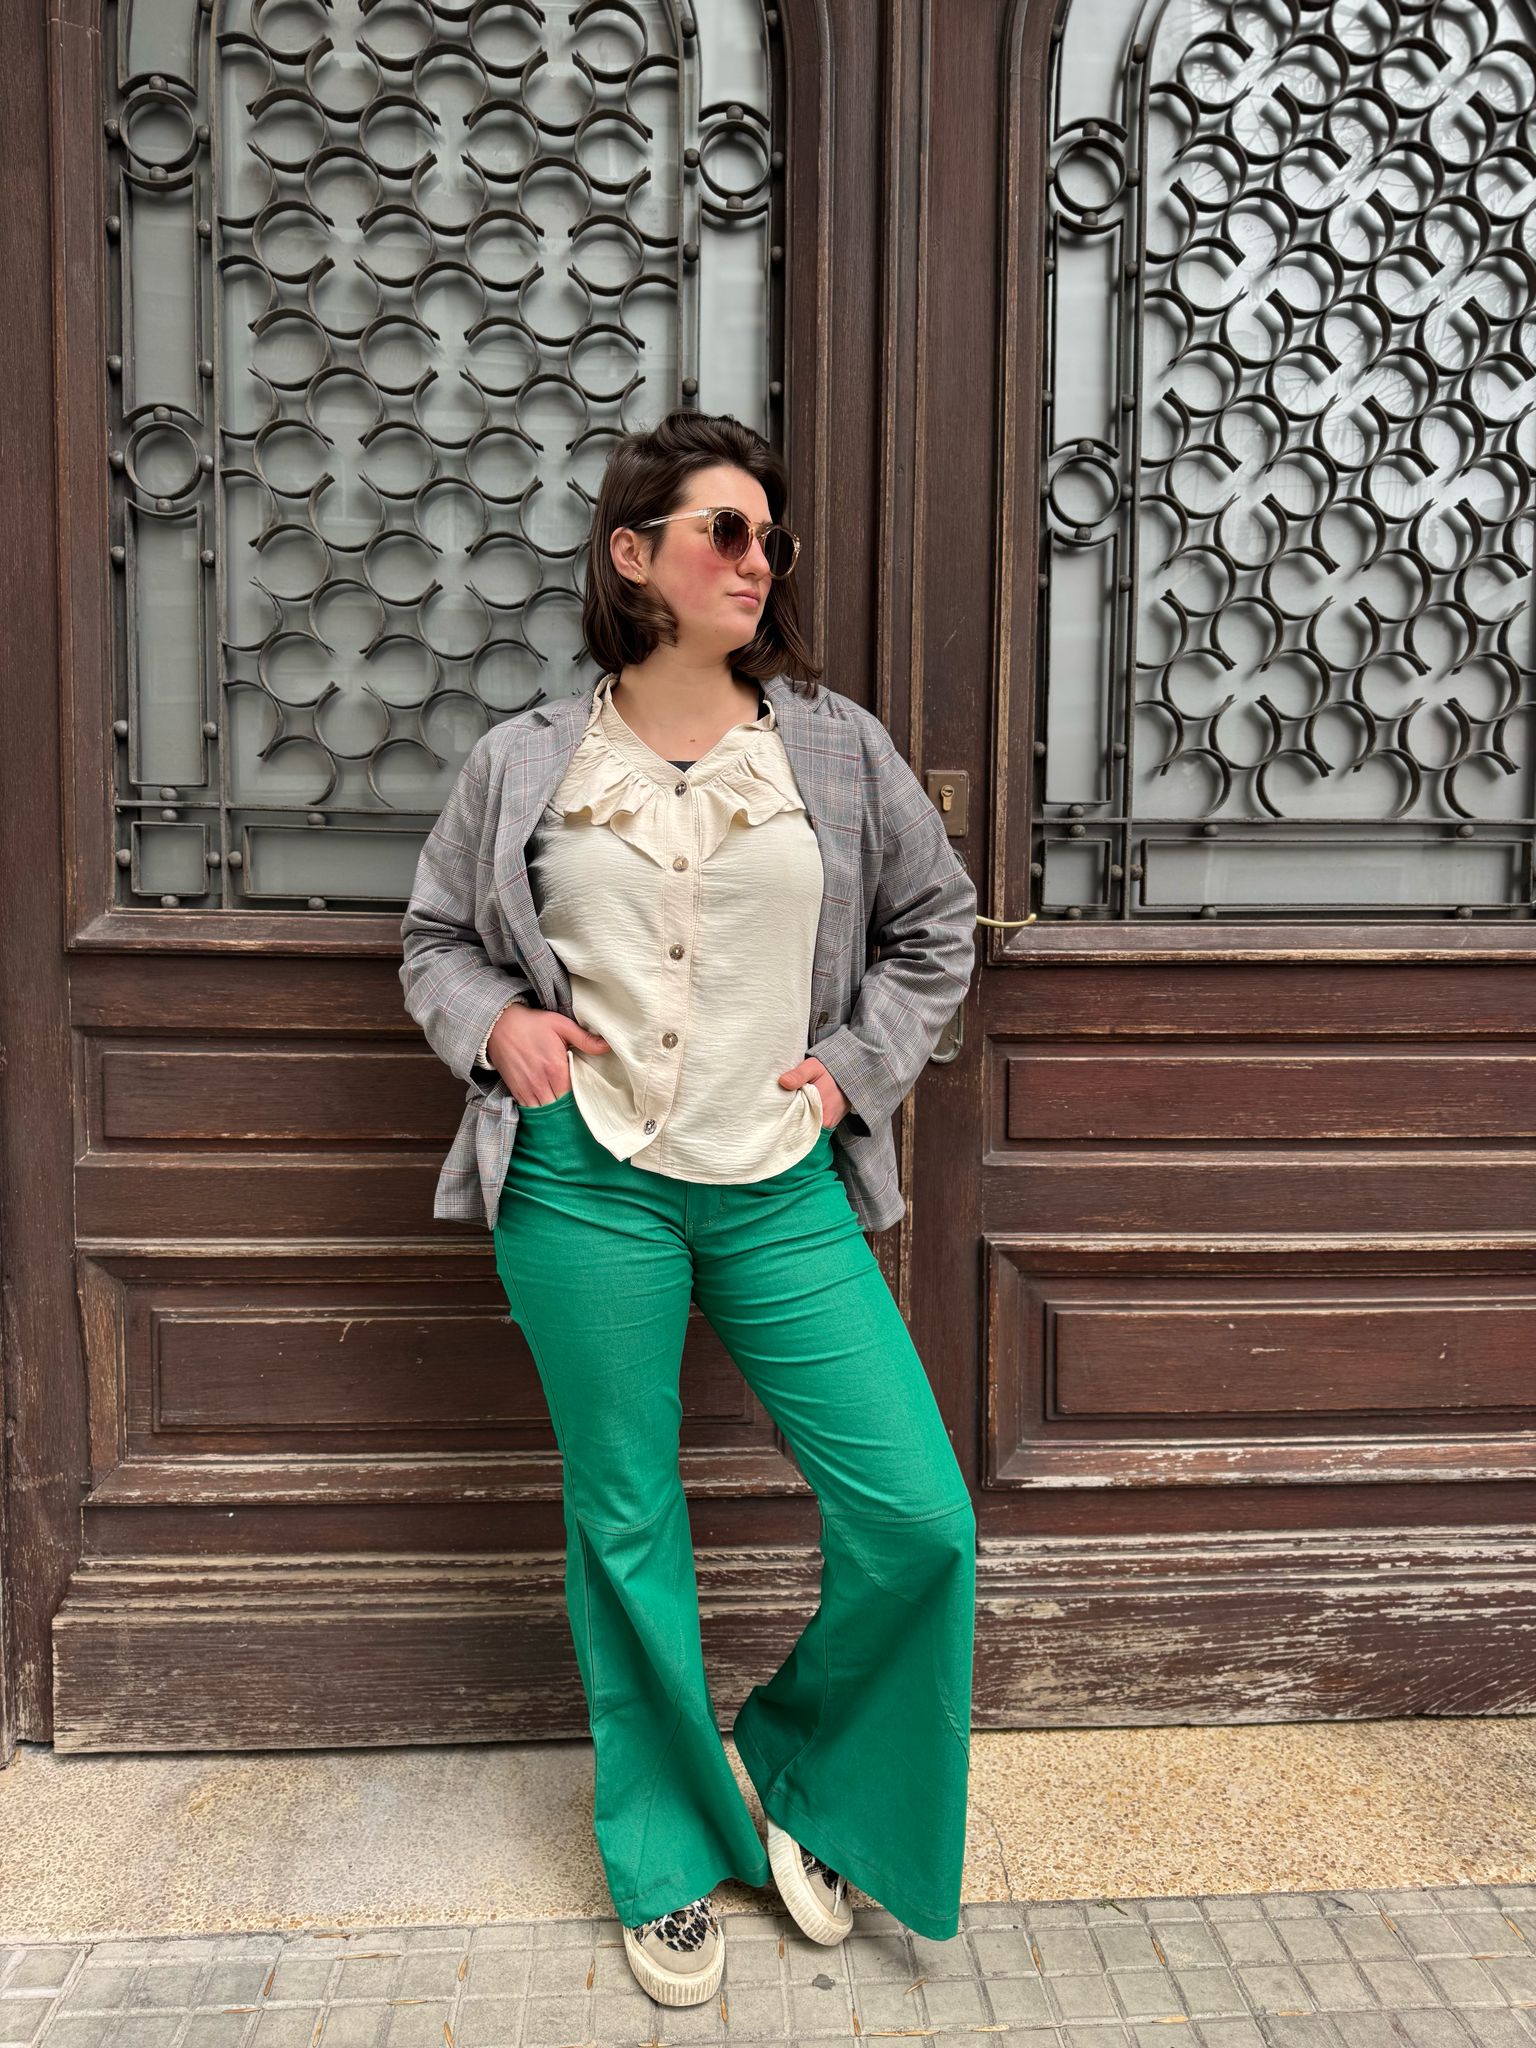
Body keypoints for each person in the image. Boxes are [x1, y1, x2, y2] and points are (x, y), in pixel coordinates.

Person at [399, 410, 978, 2008]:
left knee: (920, 1518)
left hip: (779, 1185)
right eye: (725, 529)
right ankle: (660, 1851)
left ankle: (804, 1775)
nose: (757, 559)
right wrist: (496, 1029)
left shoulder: (834, 751)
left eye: (769, 537)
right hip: (583, 1186)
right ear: (632, 554)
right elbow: (436, 940)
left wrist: (854, 1069)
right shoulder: (527, 760)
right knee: (626, 1519)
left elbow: (937, 926)